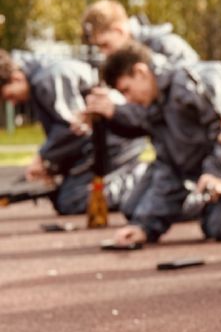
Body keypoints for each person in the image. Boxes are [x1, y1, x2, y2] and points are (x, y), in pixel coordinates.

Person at [90, 42, 221, 246]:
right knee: (203, 218)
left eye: (126, 90)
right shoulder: (156, 109)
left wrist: (219, 172)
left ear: (140, 72)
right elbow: (171, 169)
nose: (128, 100)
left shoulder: (195, 81)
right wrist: (145, 227)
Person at [0, 48, 147, 213]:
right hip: (105, 140)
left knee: (73, 199)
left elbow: (74, 129)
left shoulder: (48, 78)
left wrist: (43, 157)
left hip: (116, 139)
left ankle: (143, 181)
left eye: (9, 97)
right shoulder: (42, 76)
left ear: (16, 78)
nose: (12, 103)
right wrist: (52, 165)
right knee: (62, 197)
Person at [82, 0, 199, 64]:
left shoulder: (168, 47)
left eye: (105, 45)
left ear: (119, 30)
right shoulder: (119, 61)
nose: (104, 53)